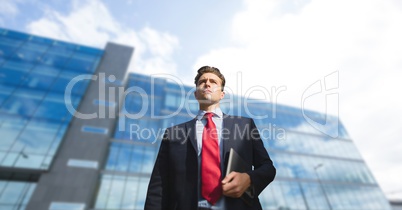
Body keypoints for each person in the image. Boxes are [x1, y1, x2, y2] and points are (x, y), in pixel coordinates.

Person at [145, 66, 276, 210]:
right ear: (196, 94)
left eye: (213, 82)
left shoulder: (245, 125)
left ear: (222, 94)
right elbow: (158, 186)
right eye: (202, 82)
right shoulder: (173, 133)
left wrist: (249, 179)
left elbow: (267, 167)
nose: (207, 84)